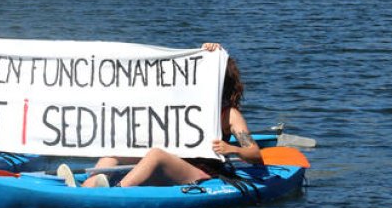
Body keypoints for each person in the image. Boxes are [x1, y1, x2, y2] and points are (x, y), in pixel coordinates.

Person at [58, 42, 262, 187]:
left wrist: (230, 148)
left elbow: (255, 155)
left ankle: (119, 191)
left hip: (204, 173)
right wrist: (205, 53)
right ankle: (90, 184)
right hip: (177, 162)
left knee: (156, 155)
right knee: (118, 151)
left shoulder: (229, 114)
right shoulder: (187, 103)